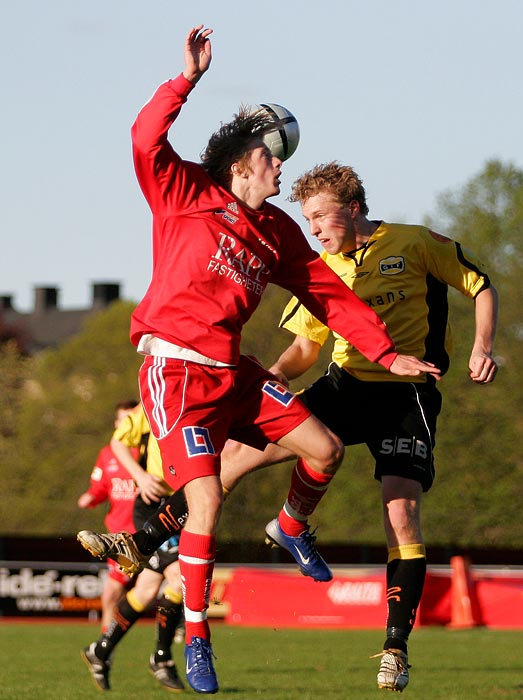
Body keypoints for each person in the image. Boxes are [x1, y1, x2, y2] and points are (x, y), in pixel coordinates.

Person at [77, 24, 439, 695]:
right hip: (176, 371)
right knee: (206, 501)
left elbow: (330, 295)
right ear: (244, 160)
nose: (281, 170)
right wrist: (184, 80)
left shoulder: (277, 231)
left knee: (325, 448)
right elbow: (142, 138)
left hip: (233, 372)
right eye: (274, 158)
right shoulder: (182, 191)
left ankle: (291, 525)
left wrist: (386, 353)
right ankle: (196, 643)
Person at [80, 161, 498, 693]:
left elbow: (480, 284)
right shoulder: (322, 267)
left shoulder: (414, 243)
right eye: (308, 219)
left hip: (407, 393)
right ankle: (154, 540)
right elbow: (304, 349)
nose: (315, 229)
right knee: (234, 458)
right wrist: (256, 390)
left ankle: (394, 647)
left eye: (322, 216)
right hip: (345, 386)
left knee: (401, 508)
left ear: (354, 206)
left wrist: (483, 345)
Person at [81, 404, 185, 692]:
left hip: (187, 501)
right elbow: (118, 442)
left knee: (147, 588)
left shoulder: (204, 389)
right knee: (179, 576)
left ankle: (101, 651)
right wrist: (140, 477)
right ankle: (161, 658)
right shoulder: (156, 394)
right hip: (157, 507)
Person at [77, 399, 139, 629]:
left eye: (130, 419)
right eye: (122, 420)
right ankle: (106, 644)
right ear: (116, 423)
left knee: (160, 587)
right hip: (118, 536)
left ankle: (105, 649)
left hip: (147, 533)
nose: (125, 424)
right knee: (113, 593)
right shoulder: (107, 454)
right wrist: (91, 497)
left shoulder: (150, 450)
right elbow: (101, 487)